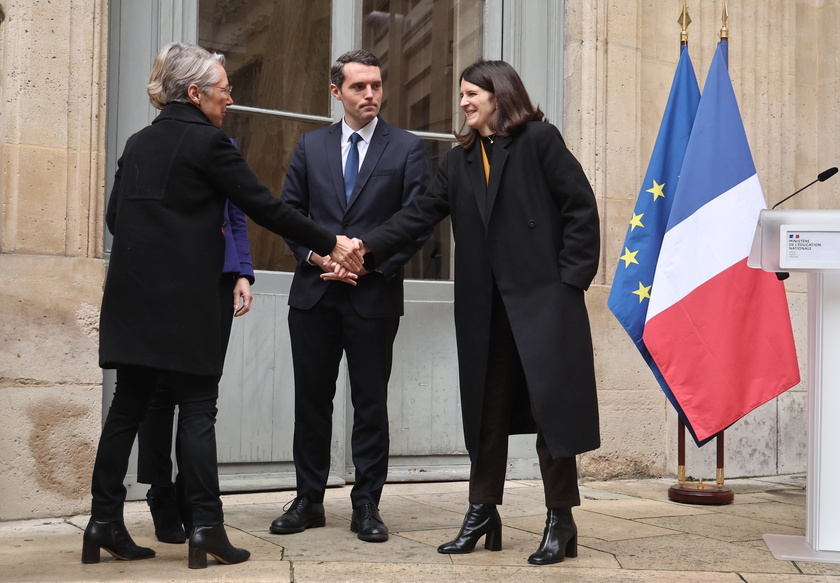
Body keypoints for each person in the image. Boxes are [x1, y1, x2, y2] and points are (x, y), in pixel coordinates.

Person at [83, 42, 361, 570]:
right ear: (195, 93)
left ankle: (103, 522)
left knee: (126, 409)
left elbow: (118, 217)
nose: (230, 99)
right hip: (188, 301)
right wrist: (333, 242)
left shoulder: (138, 142)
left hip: (134, 298)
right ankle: (206, 528)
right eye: (224, 89)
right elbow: (265, 207)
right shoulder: (210, 144)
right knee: (197, 410)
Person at [354, 60, 600, 565]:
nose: (464, 103)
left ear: (499, 94)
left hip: (541, 303)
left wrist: (568, 283)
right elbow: (418, 215)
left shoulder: (539, 140)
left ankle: (561, 519)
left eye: (472, 94)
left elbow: (580, 207)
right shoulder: (459, 159)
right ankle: (482, 509)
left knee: (549, 412)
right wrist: (364, 249)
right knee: (484, 413)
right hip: (485, 310)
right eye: (462, 95)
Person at [268, 49, 430, 543]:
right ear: (336, 91)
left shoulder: (406, 148)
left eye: (377, 85)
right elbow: (289, 213)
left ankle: (367, 507)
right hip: (314, 296)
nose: (370, 95)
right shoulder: (310, 145)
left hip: (373, 296)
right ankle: (308, 501)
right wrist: (319, 258)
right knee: (312, 403)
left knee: (370, 403)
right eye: (359, 87)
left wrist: (369, 260)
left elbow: (418, 220)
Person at [136, 196, 254, 545]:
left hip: (218, 276)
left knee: (201, 396)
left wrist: (243, 271)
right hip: (164, 276)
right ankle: (161, 492)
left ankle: (193, 499)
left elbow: (235, 214)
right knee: (158, 393)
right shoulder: (153, 143)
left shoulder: (224, 148)